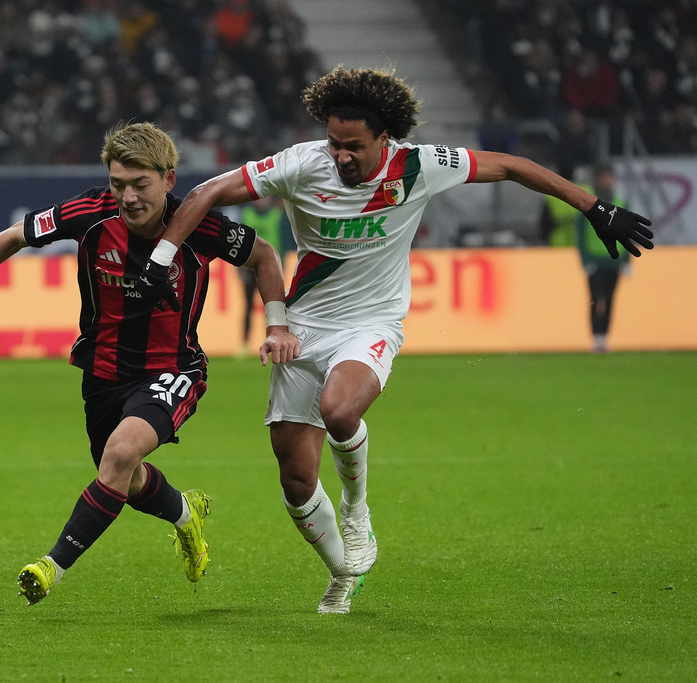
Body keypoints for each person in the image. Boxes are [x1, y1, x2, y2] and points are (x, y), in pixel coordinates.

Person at [138, 66, 655, 614]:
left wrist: (593, 206)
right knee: (294, 478)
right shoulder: (300, 164)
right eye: (334, 143)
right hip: (304, 327)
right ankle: (342, 572)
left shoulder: (419, 166)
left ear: (385, 139)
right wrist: (163, 256)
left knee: (340, 411)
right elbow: (208, 191)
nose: (340, 157)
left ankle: (356, 510)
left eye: (353, 147)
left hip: (372, 323)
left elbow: (510, 165)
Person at [0, 122, 299, 604]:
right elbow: (13, 237)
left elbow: (266, 256)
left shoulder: (199, 225)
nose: (128, 197)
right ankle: (183, 513)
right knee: (123, 479)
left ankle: (51, 566)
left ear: (169, 180)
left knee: (120, 455)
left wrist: (276, 325)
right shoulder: (89, 213)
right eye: (118, 184)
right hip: (102, 373)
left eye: (140, 184)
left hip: (173, 369)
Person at [575, 164, 630, 353]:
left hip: (614, 260)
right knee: (596, 298)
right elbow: (580, 233)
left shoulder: (621, 203)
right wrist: (585, 259)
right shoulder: (588, 204)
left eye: (610, 177)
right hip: (596, 260)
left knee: (609, 299)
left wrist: (627, 260)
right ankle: (596, 338)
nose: (607, 181)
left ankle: (604, 338)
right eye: (604, 177)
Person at [236, 194, 287, 353]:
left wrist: (282, 266)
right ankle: (244, 345)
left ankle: (275, 341)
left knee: (273, 308)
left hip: (271, 269)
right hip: (250, 269)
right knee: (248, 306)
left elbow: (283, 241)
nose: (261, 201)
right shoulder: (246, 215)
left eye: (263, 198)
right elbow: (238, 243)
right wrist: (240, 269)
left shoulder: (276, 215)